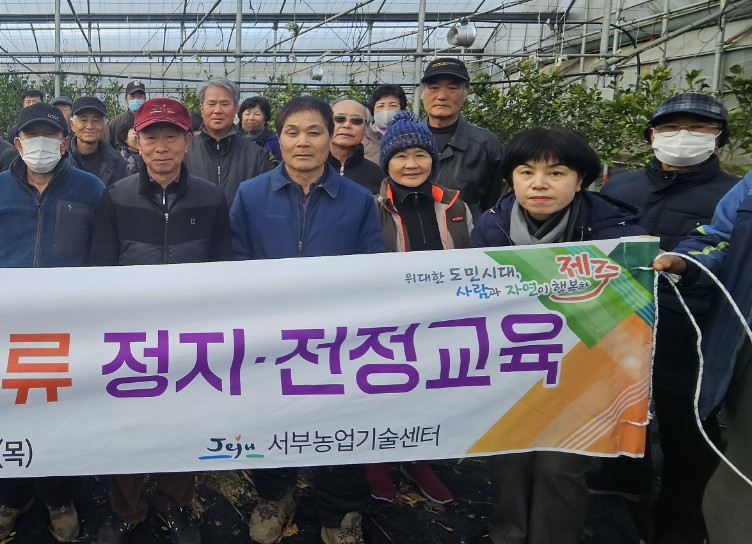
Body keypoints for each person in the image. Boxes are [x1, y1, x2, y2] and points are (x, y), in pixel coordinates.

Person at [468, 127, 646, 544]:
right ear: (511, 179)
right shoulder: (491, 227)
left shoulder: (616, 231)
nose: (539, 183)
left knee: (560, 465)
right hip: (513, 362)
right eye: (526, 172)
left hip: (585, 367)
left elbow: (630, 304)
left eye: (556, 172)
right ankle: (507, 534)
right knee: (508, 455)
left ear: (580, 180)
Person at [230, 95, 383, 544]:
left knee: (342, 417)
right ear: (278, 139)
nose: (303, 142)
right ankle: (275, 494)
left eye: (314, 132)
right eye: (292, 132)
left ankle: (340, 507)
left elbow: (371, 269)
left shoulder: (358, 200)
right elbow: (235, 263)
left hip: (337, 337)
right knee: (272, 414)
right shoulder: (251, 194)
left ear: (330, 138)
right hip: (270, 335)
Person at [594, 93, 738, 543]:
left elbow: (727, 257)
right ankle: (623, 480)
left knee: (686, 424)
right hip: (619, 320)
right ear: (652, 136)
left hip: (688, 327)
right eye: (671, 128)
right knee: (618, 403)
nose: (683, 137)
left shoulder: (732, 195)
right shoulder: (621, 187)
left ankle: (682, 521)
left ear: (719, 140)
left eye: (699, 128)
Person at [90, 96, 230, 544]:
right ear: (137, 141)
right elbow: (100, 269)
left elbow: (224, 268)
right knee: (126, 422)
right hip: (131, 336)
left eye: (172, 136)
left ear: (188, 141)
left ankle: (175, 502)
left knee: (182, 421)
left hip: (190, 335)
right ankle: (127, 509)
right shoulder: (116, 197)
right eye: (152, 137)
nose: (162, 146)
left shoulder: (211, 198)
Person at [0, 103, 103, 541]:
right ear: (17, 143)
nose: (41, 144)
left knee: (60, 410)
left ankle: (59, 496)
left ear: (66, 143)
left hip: (65, 326)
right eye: (32, 136)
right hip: (8, 324)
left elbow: (97, 256)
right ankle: (11, 495)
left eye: (50, 136)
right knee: (8, 407)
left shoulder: (90, 189)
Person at [365, 111, 467, 505]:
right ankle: (376, 457)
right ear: (386, 162)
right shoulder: (373, 207)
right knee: (385, 386)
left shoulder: (455, 206)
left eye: (420, 155)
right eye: (401, 156)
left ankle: (416, 458)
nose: (411, 164)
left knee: (427, 390)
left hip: (442, 319)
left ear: (432, 159)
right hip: (388, 320)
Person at [654, 171, 752, 544]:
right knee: (737, 480)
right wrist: (683, 262)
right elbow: (720, 239)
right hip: (741, 349)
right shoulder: (748, 186)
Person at [419, 58, 502, 216]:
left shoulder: (485, 145)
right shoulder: (406, 142)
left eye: (452, 88)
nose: (442, 96)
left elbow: (492, 204)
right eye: (434, 88)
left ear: (465, 93)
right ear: (421, 93)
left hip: (468, 230)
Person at [185, 76, 273, 203]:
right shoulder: (185, 152)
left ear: (236, 108)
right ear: (202, 108)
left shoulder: (256, 155)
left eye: (224, 104)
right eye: (211, 104)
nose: (217, 110)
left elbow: (264, 199)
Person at [70, 96, 132, 186]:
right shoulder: (61, 158)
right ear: (72, 125)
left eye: (96, 120)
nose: (90, 126)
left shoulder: (117, 161)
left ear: (105, 125)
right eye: (84, 120)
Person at [327, 99, 385, 195]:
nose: (347, 125)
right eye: (339, 119)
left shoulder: (377, 175)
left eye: (356, 121)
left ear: (365, 127)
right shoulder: (310, 167)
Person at [363, 84, 407, 165]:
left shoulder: (410, 136)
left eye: (393, 105)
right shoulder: (362, 137)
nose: (386, 110)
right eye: (380, 106)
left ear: (401, 109)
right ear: (373, 110)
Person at [106, 80, 147, 149]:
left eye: (139, 96)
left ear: (145, 99)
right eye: (132, 97)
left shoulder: (150, 121)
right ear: (126, 99)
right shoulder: (115, 123)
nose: (136, 100)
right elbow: (108, 148)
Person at [239, 95, 282, 162]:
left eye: (257, 114)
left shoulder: (274, 141)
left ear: (264, 119)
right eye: (247, 114)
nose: (251, 118)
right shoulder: (234, 139)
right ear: (241, 117)